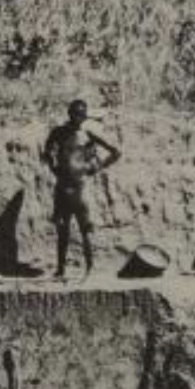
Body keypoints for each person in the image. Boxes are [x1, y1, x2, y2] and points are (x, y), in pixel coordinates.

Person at [41, 99, 121, 278]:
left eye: (81, 115)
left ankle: (89, 269)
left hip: (81, 187)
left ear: (85, 116)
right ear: (69, 114)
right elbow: (47, 152)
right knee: (62, 228)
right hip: (62, 186)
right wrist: (53, 166)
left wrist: (96, 167)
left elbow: (116, 152)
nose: (78, 118)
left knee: (86, 230)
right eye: (75, 114)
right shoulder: (59, 132)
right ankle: (61, 269)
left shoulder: (88, 133)